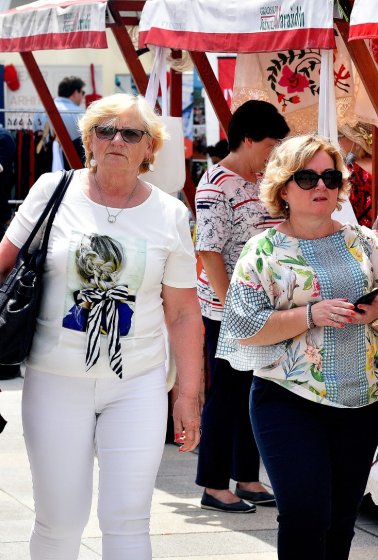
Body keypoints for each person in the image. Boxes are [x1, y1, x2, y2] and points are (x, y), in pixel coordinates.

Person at [0, 93, 203, 559]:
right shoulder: (53, 190)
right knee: (59, 519)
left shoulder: (170, 214)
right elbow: (3, 265)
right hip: (55, 378)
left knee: (129, 519)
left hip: (137, 384)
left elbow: (183, 312)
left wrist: (188, 395)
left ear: (149, 148)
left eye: (131, 133)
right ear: (88, 139)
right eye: (105, 130)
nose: (117, 140)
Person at [217, 134, 378, 559]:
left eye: (330, 176)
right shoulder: (263, 250)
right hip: (288, 401)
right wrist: (309, 315)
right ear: (283, 188)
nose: (321, 187)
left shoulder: (362, 241)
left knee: (340, 521)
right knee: (305, 515)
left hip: (361, 403)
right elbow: (243, 326)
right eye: (307, 177)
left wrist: (376, 314)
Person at [194, 99, 289, 513]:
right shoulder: (216, 184)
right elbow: (209, 251)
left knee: (257, 389)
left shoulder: (260, 179)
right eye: (270, 144)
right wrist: (233, 303)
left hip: (263, 306)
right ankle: (214, 484)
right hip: (229, 308)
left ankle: (247, 477)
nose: (273, 154)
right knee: (228, 394)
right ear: (247, 139)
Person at [33, 75, 87, 167]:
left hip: (43, 166)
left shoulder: (40, 111)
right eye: (83, 92)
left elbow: (35, 138)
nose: (83, 96)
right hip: (70, 168)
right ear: (75, 93)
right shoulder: (80, 114)